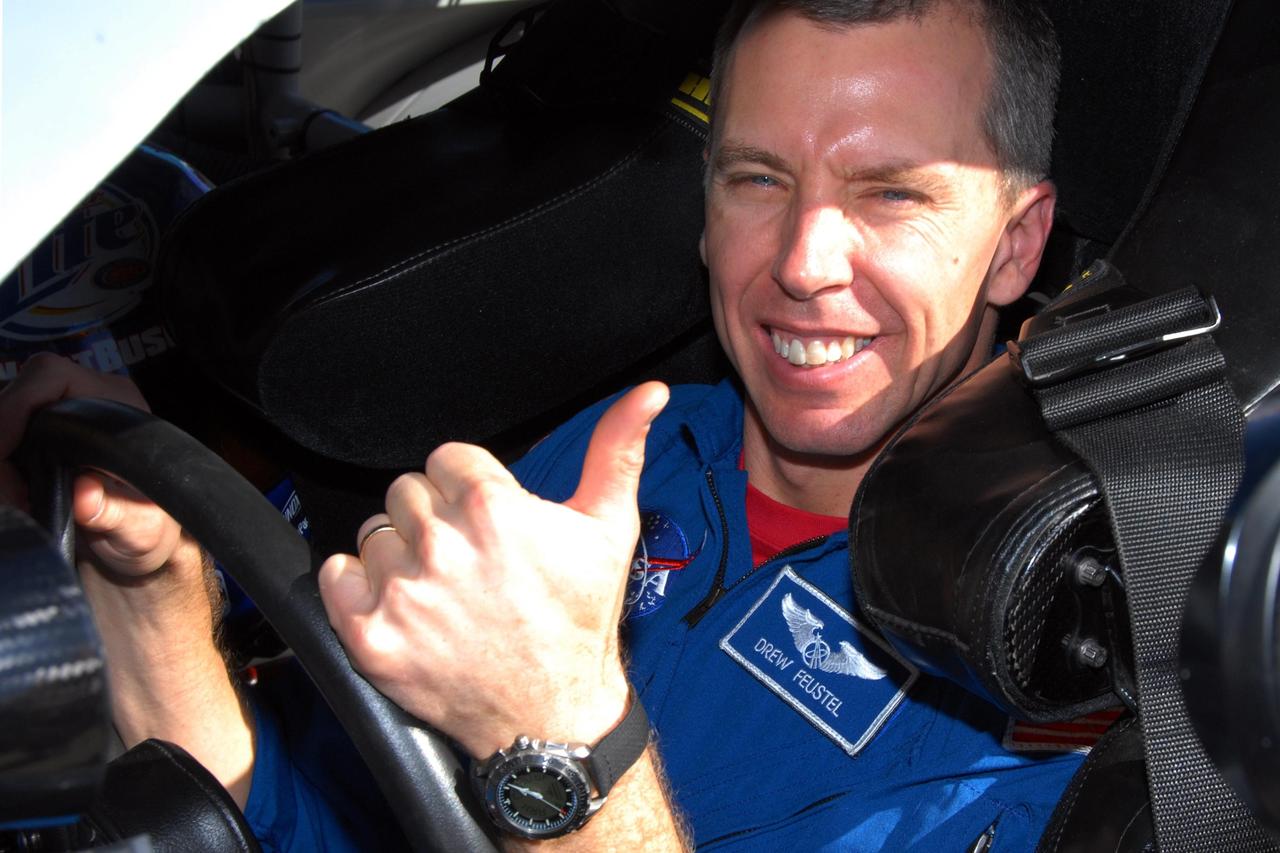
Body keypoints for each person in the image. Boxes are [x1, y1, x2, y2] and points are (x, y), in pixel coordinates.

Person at [0, 0, 1081, 849]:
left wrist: (561, 740)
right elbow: (278, 817)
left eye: (890, 194)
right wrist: (149, 579)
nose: (800, 261)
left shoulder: (1045, 635)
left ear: (1015, 245)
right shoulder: (637, 447)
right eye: (757, 178)